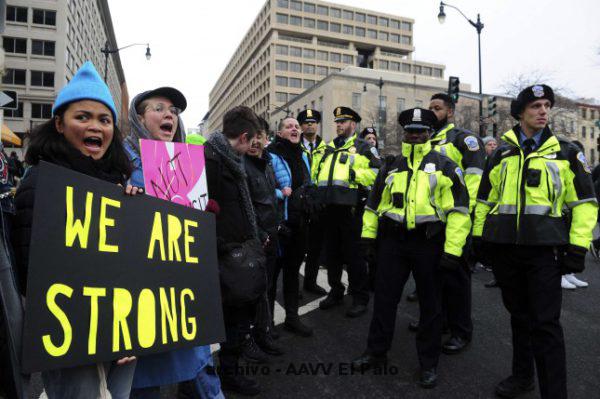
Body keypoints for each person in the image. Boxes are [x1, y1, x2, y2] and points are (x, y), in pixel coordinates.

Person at [12, 61, 137, 398]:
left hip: (121, 330)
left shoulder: (118, 183)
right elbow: (30, 273)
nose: (95, 125)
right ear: (59, 124)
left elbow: (135, 264)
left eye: (104, 119)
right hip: (73, 337)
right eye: (83, 117)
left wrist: (135, 208)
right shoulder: (39, 183)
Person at [473, 84, 598, 399]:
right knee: (519, 317)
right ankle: (522, 377)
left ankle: (554, 393)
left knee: (546, 325)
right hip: (506, 252)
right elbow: (485, 201)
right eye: (536, 106)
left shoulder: (567, 152)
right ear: (520, 113)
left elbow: (585, 205)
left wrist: (578, 247)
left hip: (545, 253)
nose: (543, 111)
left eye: (546, 105)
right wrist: (478, 239)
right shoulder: (501, 153)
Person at [351, 108, 471, 389]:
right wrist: (369, 239)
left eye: (421, 131)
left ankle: (428, 363)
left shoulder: (446, 166)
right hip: (393, 242)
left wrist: (452, 251)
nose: (415, 136)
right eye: (410, 131)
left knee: (431, 306)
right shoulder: (391, 166)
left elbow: (460, 213)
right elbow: (372, 206)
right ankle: (376, 352)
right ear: (404, 133)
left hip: (429, 243)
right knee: (384, 300)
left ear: (430, 133)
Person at [122, 87, 223, 399]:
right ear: (139, 118)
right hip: (141, 283)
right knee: (144, 373)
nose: (170, 115)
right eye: (159, 108)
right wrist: (120, 194)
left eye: (174, 112)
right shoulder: (120, 159)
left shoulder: (187, 162)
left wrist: (204, 209)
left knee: (199, 362)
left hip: (181, 280)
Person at [204, 106, 264, 396]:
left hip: (236, 252)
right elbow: (202, 210)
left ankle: (225, 372)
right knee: (227, 322)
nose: (253, 145)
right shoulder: (211, 161)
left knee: (236, 320)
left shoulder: (228, 158)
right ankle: (223, 376)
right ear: (243, 136)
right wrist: (223, 245)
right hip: (223, 257)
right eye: (252, 140)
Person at [426, 93, 485, 355]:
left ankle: (461, 331)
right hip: (431, 221)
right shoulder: (427, 140)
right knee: (435, 278)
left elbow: (472, 184)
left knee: (457, 279)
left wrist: (463, 218)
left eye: (437, 108)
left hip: (455, 220)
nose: (432, 112)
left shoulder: (464, 140)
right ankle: (440, 323)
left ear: (450, 112)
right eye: (430, 108)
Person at [316, 107, 378, 318]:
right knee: (332, 255)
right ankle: (336, 290)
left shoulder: (363, 147)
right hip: (329, 208)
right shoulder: (329, 148)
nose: (339, 125)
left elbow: (377, 174)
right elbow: (319, 174)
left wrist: (354, 173)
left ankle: (360, 297)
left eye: (343, 122)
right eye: (337, 122)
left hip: (351, 210)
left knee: (355, 257)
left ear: (353, 124)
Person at [267, 117, 314, 337]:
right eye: (289, 126)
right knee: (272, 274)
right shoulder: (272, 155)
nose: (295, 128)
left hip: (300, 223)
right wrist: (280, 193)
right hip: (280, 224)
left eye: (296, 126)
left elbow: (307, 183)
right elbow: (263, 186)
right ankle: (265, 323)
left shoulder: (303, 155)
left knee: (292, 273)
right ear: (279, 133)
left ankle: (292, 318)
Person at [243, 117, 284, 357]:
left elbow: (269, 200)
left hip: (270, 237)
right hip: (253, 241)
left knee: (266, 288)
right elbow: (246, 206)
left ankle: (263, 332)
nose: (255, 141)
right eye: (250, 136)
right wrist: (258, 233)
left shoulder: (266, 164)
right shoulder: (241, 165)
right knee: (251, 292)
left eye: (260, 136)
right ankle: (250, 338)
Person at [298, 109, 328, 296]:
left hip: (319, 204)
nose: (310, 125)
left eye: (313, 122)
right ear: (301, 126)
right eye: (306, 122)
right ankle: (293, 285)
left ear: (317, 125)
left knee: (316, 247)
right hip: (300, 203)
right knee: (298, 248)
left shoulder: (327, 148)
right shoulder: (295, 146)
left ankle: (311, 282)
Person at [358, 126, 381, 290]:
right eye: (368, 139)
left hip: (377, 207)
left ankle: (374, 279)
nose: (372, 141)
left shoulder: (381, 158)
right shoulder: (361, 156)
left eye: (374, 139)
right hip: (362, 203)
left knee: (375, 246)